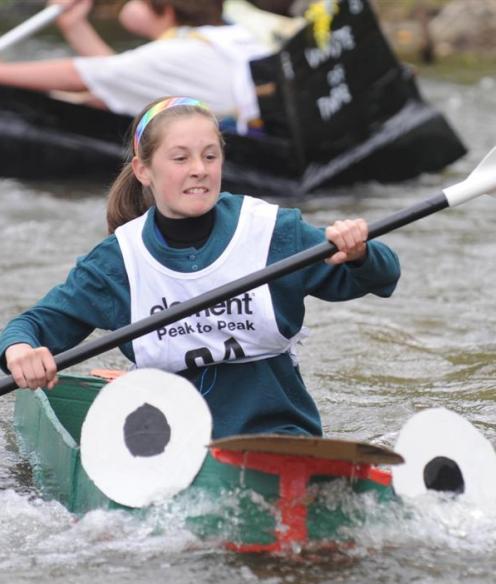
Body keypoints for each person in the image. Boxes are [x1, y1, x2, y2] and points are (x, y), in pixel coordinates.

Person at [0, 96, 401, 440]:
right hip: (167, 446)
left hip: (279, 436)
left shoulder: (271, 232)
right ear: (143, 171)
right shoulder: (116, 262)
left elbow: (383, 277)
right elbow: (30, 327)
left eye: (210, 156)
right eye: (180, 158)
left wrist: (360, 253)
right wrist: (20, 352)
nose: (199, 169)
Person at [0, 0, 270, 131]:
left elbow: (80, 75)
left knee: (87, 99)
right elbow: (120, 75)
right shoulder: (229, 34)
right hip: (263, 145)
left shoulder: (174, 53)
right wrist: (73, 26)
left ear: (165, 9)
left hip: (251, 159)